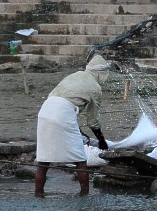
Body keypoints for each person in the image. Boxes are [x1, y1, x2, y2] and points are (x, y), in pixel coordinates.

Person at [34, 54, 112, 196]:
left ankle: (38, 194)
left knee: (43, 160)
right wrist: (102, 141)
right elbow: (93, 121)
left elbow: (63, 102)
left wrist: (78, 130)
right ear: (101, 74)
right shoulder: (95, 88)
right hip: (63, 112)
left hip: (45, 110)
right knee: (80, 160)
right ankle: (84, 196)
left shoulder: (75, 75)